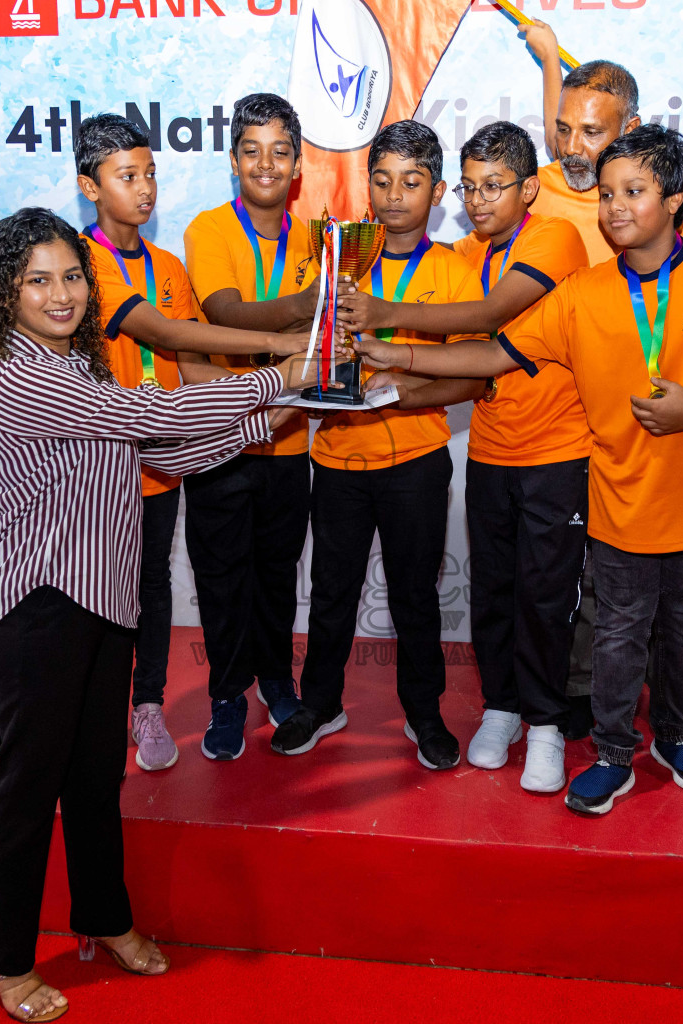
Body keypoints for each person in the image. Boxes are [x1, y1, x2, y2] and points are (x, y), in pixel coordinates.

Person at [347, 125, 683, 816]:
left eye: (634, 192)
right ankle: (613, 752)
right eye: (608, 193)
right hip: (616, 494)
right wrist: (394, 355)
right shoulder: (580, 292)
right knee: (616, 629)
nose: (615, 207)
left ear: (675, 198)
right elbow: (493, 355)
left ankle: (673, 735)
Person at [0, 207, 320, 1020]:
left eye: (72, 276)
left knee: (94, 777)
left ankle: (105, 918)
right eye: (38, 280)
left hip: (99, 596)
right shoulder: (22, 373)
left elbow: (158, 450)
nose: (63, 295)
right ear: (3, 293)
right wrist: (277, 374)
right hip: (38, 603)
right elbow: (148, 417)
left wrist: (273, 419)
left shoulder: (75, 367)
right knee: (28, 785)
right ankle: (2, 959)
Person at [511, 38, 683, 739]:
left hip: (652, 415)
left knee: (661, 582)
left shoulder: (673, 178)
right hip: (562, 415)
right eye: (563, 126)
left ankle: (670, 698)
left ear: (628, 129)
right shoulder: (538, 188)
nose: (574, 144)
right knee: (590, 578)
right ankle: (586, 693)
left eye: (591, 131)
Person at [335, 121, 588, 794]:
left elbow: (488, 316)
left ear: (530, 188)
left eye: (494, 187)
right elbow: (475, 362)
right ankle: (503, 709)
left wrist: (388, 327)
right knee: (495, 590)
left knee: (545, 595)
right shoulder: (472, 251)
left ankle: (546, 726)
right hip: (493, 446)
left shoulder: (553, 237)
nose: (478, 201)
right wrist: (397, 378)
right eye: (471, 188)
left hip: (557, 447)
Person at [73, 112, 306, 771]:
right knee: (96, 592)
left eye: (150, 174)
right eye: (127, 176)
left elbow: (194, 369)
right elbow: (170, 336)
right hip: (102, 462)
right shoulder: (80, 265)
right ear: (89, 186)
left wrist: (272, 399)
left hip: (167, 461)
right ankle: (94, 711)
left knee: (154, 585)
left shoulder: (170, 265)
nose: (143, 189)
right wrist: (282, 356)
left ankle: (150, 705)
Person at [269, 120, 486, 770]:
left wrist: (399, 388)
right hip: (337, 458)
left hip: (417, 459)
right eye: (383, 180)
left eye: (412, 182)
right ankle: (321, 703)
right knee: (331, 589)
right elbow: (309, 347)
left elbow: (473, 373)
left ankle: (424, 714)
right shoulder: (336, 262)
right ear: (368, 187)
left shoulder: (451, 269)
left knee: (415, 594)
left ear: (437, 190)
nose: (395, 195)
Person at [178, 93, 318, 760]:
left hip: (288, 439)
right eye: (252, 150)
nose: (267, 163)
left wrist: (310, 331)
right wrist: (304, 313)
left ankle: (275, 679)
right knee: (222, 577)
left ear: (297, 164)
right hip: (219, 443)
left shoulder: (320, 237)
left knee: (275, 573)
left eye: (280, 151)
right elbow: (225, 311)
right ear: (233, 160)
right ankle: (227, 694)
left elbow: (318, 341)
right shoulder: (208, 230)